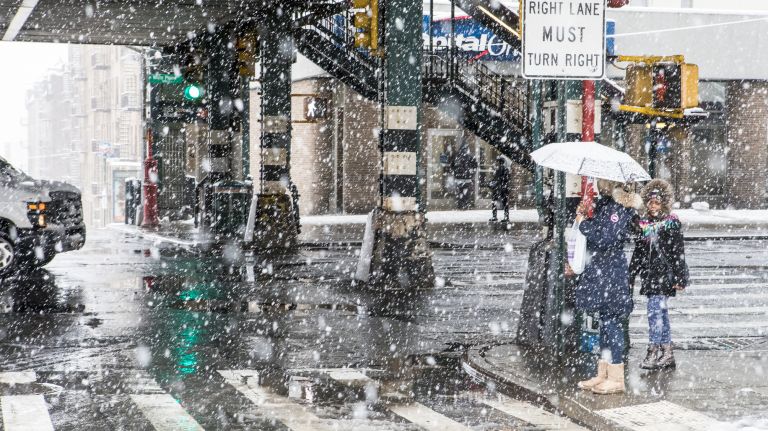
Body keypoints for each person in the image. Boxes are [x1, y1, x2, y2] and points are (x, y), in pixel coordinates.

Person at [575, 179, 642, 395]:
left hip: (610, 272)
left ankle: (615, 377)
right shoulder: (608, 206)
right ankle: (603, 373)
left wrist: (583, 223)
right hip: (605, 270)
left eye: (599, 183)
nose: (595, 186)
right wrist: (585, 216)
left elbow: (606, 238)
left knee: (611, 321)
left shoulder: (618, 209)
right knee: (605, 321)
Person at [630, 179, 689, 370]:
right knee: (660, 313)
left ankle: (653, 351)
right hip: (650, 276)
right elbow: (639, 252)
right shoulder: (644, 224)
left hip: (664, 275)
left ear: (663, 203)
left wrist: (680, 277)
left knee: (654, 312)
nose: (653, 206)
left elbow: (678, 252)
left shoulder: (671, 223)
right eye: (650, 202)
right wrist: (631, 273)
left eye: (656, 203)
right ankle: (667, 352)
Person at [451, 142, 477, 209]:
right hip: (467, 178)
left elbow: (452, 166)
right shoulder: (470, 156)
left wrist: (455, 173)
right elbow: (475, 166)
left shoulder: (457, 156)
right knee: (466, 193)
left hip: (459, 178)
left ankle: (460, 204)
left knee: (460, 192)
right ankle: (465, 204)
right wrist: (472, 173)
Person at [489, 156, 510, 222]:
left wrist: (496, 181)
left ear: (500, 162)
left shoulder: (501, 169)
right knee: (504, 203)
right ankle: (505, 217)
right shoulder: (503, 169)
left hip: (500, 188)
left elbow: (500, 179)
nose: (496, 162)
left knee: (495, 202)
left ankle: (495, 216)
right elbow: (505, 179)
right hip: (502, 188)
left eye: (497, 161)